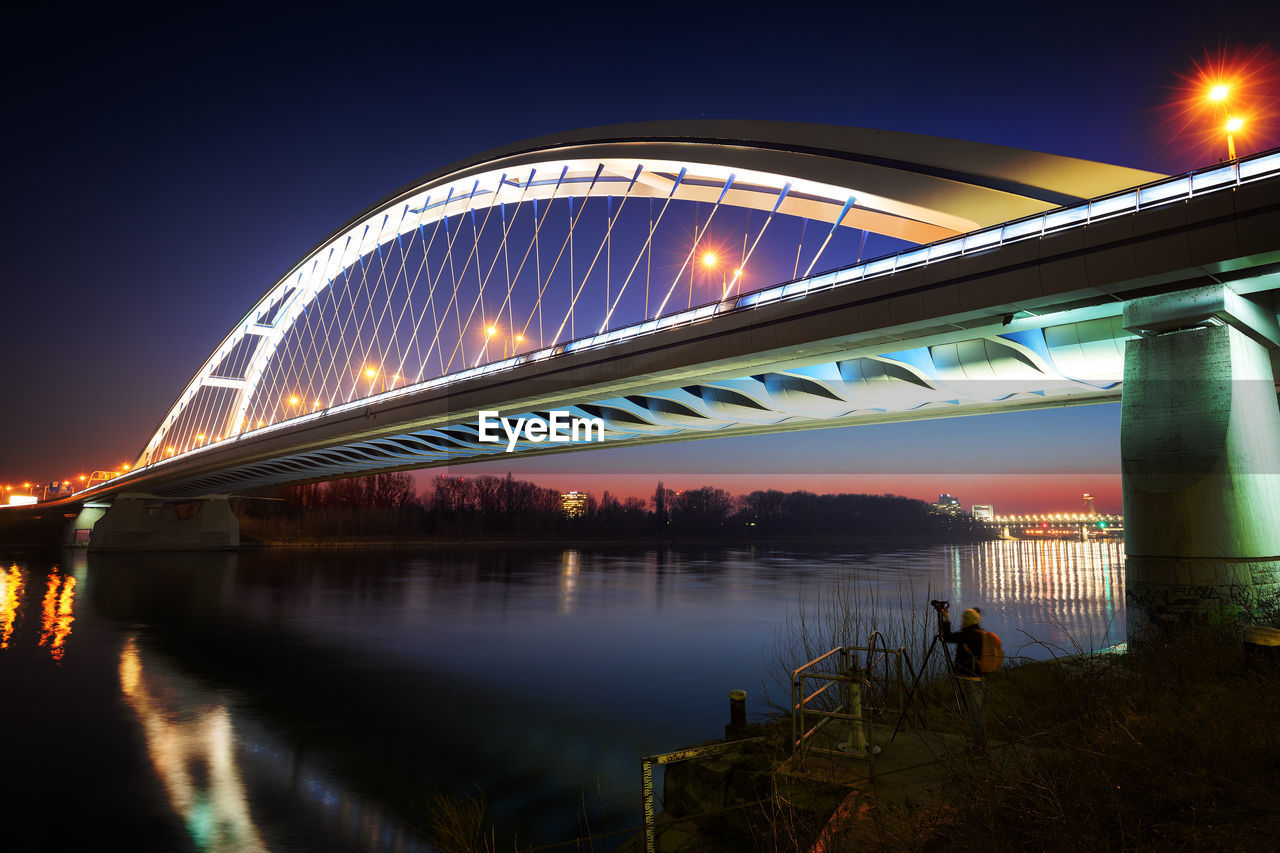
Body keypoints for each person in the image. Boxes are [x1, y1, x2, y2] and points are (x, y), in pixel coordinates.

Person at [939, 604, 987, 748]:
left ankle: (979, 745)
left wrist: (946, 618)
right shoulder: (980, 633)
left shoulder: (967, 635)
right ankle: (980, 741)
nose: (962, 621)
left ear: (968, 620)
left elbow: (946, 637)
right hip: (979, 677)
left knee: (975, 713)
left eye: (964, 618)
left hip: (968, 678)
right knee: (978, 711)